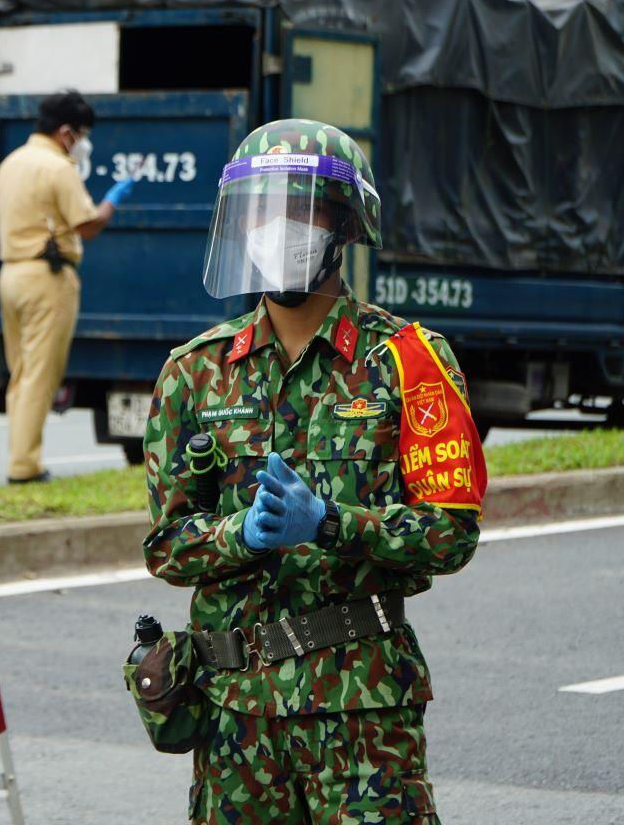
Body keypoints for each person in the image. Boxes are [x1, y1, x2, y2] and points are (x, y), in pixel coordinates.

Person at [142, 119, 487, 823]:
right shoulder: (195, 372)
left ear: (344, 223)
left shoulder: (409, 361)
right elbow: (168, 545)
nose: (278, 229)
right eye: (261, 212)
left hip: (361, 708)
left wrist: (331, 524)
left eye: (299, 210)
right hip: (235, 714)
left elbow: (449, 535)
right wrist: (244, 534)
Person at [0, 89, 133, 484]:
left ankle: (19, 455)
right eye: (83, 134)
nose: (84, 144)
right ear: (67, 132)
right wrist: (112, 202)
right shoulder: (57, 168)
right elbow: (86, 224)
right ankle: (25, 466)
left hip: (11, 274)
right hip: (47, 278)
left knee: (20, 372)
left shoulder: (10, 164)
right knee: (41, 374)